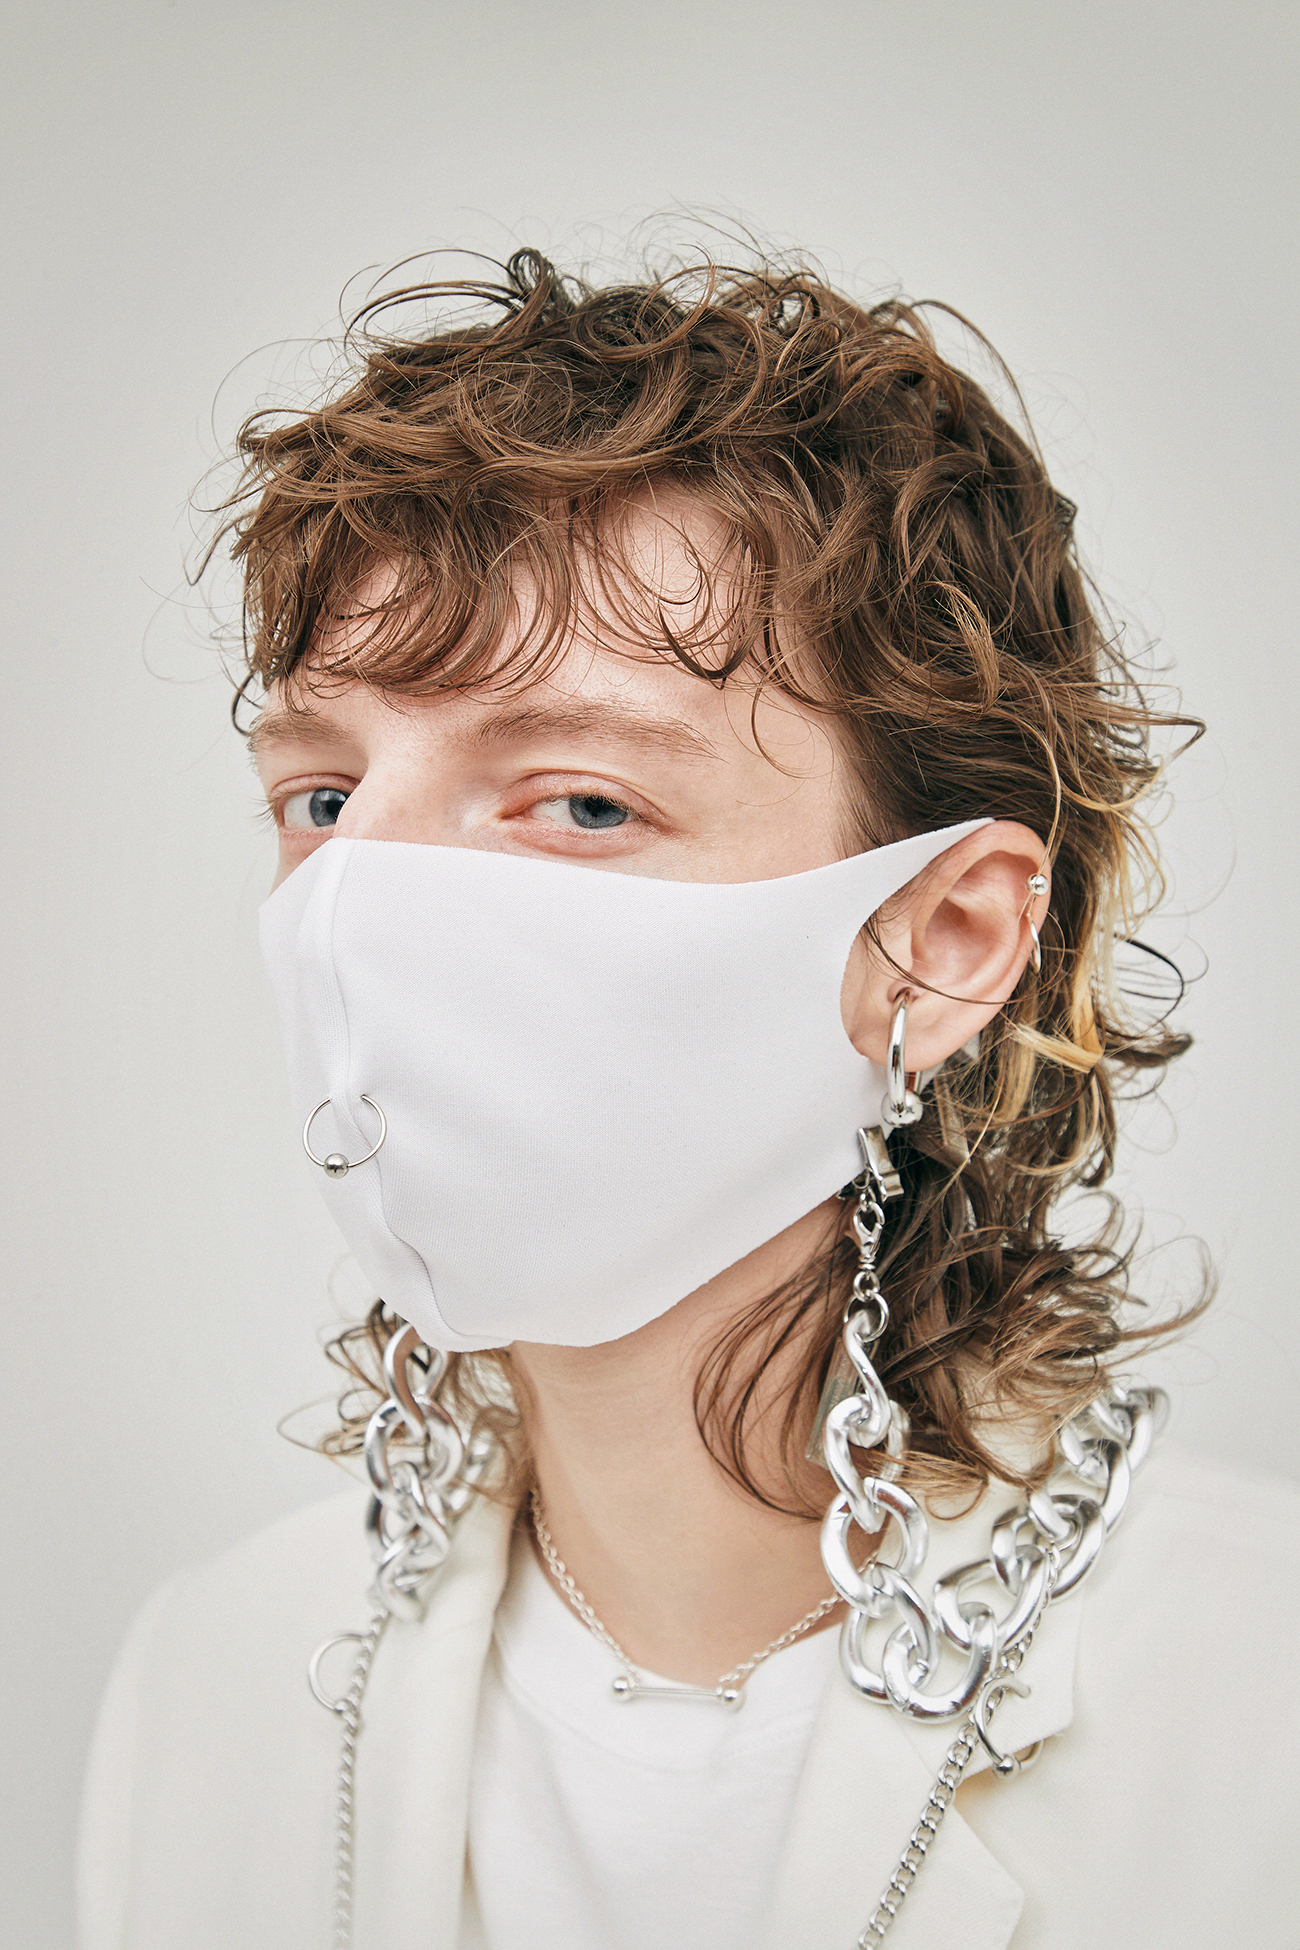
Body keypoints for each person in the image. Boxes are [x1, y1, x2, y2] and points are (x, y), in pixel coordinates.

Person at [77, 248, 1300, 1950]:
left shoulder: (1259, 1713)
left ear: (943, 941)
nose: (359, 910)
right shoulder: (209, 1690)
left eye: (581, 801)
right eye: (325, 796)